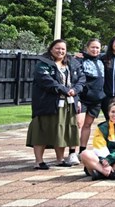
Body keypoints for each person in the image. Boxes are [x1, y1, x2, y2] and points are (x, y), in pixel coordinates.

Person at [27, 39, 85, 169]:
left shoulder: (72, 63)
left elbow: (81, 79)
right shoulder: (43, 64)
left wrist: (75, 90)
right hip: (47, 104)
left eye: (63, 49)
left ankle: (60, 159)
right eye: (57, 48)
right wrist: (65, 90)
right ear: (51, 49)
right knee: (42, 130)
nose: (60, 51)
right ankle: (39, 161)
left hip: (68, 104)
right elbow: (46, 81)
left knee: (62, 130)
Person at [78, 38, 107, 158]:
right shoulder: (80, 61)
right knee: (78, 124)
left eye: (97, 48)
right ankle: (72, 152)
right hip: (83, 97)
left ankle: (82, 149)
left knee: (87, 125)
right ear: (87, 48)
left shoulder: (102, 60)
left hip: (96, 99)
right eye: (92, 47)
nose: (95, 50)